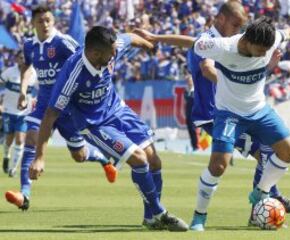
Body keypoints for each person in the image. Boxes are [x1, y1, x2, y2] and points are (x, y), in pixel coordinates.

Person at [133, 2, 290, 231]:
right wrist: (232, 79)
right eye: (235, 24)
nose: (238, 30)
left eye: (241, 26)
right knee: (256, 155)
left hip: (237, 110)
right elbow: (207, 69)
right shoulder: (212, 41)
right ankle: (263, 201)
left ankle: (266, 198)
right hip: (215, 114)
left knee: (269, 152)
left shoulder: (236, 42)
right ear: (220, 19)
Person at [29, 26, 188, 232]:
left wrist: (148, 46)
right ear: (95, 53)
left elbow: (130, 38)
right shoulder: (72, 74)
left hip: (117, 109)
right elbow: (50, 115)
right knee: (138, 159)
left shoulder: (110, 47)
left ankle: (150, 218)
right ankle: (161, 213)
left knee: (154, 160)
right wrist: (40, 157)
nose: (115, 55)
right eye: (111, 53)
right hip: (94, 124)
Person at [5, 5, 117, 211]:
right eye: (40, 21)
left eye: (48, 20)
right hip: (43, 103)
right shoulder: (29, 45)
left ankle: (102, 158)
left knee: (79, 155)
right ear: (33, 23)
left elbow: (86, 59)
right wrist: (23, 90)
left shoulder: (63, 42)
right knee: (32, 137)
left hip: (67, 108)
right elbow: (27, 66)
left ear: (53, 21)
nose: (45, 24)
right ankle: (25, 194)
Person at [0, 51, 36, 177]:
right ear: (16, 59)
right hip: (9, 111)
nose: (23, 60)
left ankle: (13, 169)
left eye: (25, 58)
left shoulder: (34, 74)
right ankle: (6, 156)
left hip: (24, 113)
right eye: (21, 57)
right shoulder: (9, 72)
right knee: (8, 140)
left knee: (20, 140)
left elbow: (41, 91)